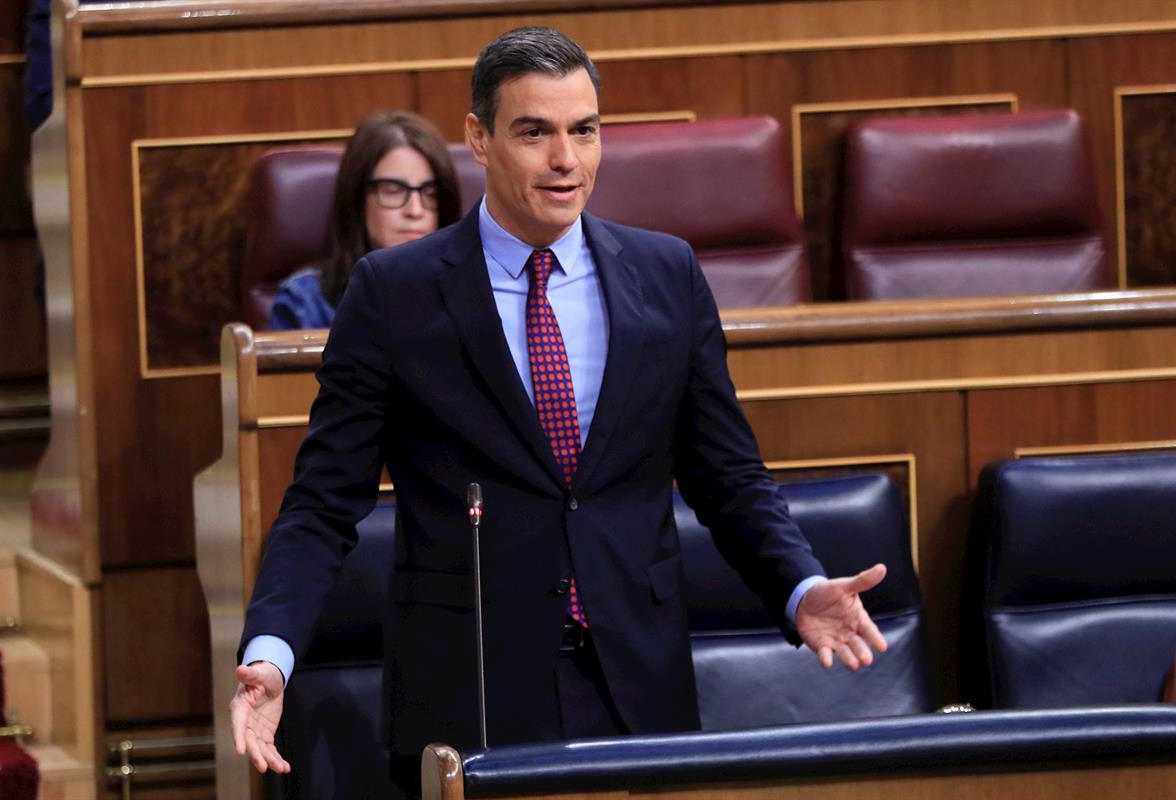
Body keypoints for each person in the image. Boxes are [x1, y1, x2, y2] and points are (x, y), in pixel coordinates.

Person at [232, 26, 889, 795]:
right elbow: (322, 502)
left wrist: (800, 585)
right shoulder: (394, 293)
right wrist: (273, 651)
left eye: (584, 130)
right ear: (478, 138)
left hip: (637, 686)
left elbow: (728, 475)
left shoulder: (666, 274)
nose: (565, 160)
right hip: (471, 692)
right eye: (534, 132)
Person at [268, 111, 462, 329]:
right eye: (393, 190)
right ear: (357, 198)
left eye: (430, 193)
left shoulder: (470, 291)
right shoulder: (305, 302)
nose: (415, 210)